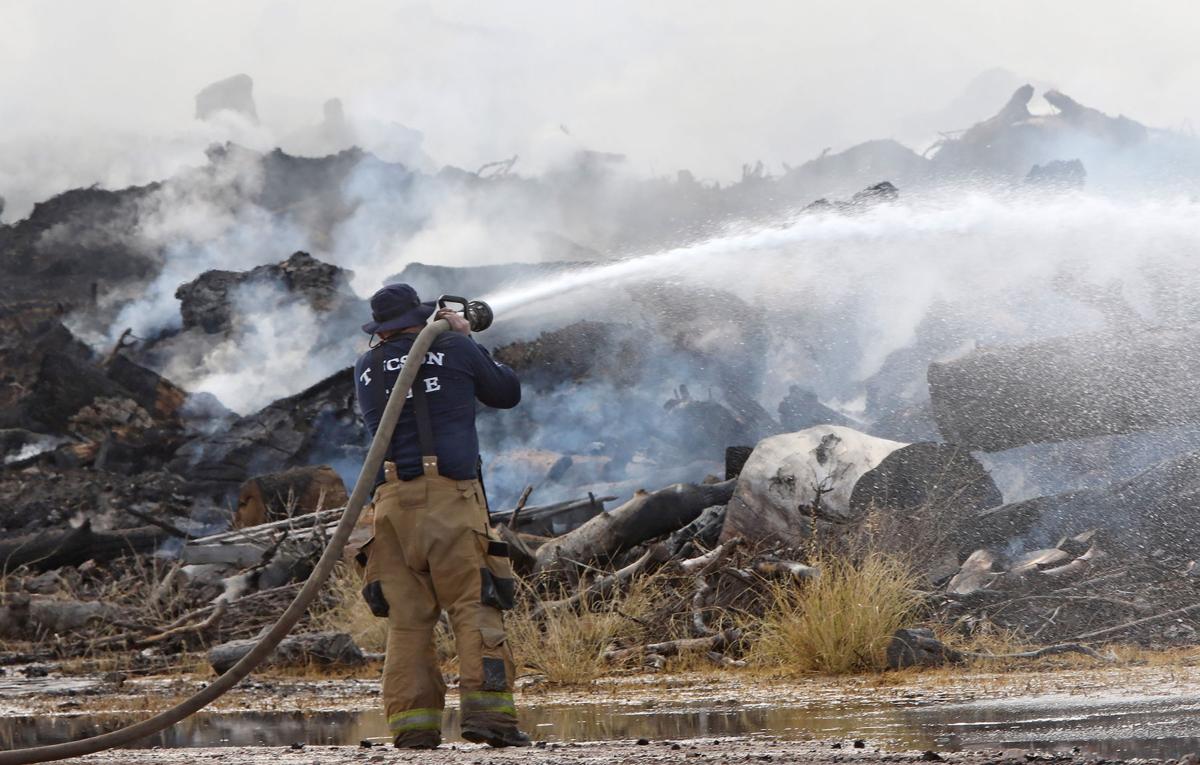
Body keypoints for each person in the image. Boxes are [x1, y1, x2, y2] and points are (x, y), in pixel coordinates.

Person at [353, 283, 528, 749]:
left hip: (389, 507)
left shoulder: (366, 365)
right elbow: (506, 392)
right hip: (449, 500)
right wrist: (465, 335)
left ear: (382, 329)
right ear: (421, 316)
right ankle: (490, 719)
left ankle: (413, 728)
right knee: (474, 604)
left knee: (407, 621)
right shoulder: (453, 345)